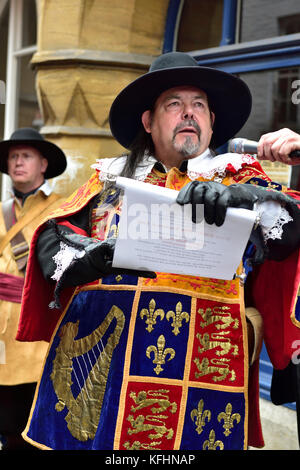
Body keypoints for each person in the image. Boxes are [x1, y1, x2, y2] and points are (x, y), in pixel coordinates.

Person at [16, 52, 300, 451]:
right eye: (174, 104)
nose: (189, 113)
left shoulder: (241, 177)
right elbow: (52, 239)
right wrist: (94, 255)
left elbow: (287, 236)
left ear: (211, 121)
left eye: (199, 105)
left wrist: (237, 196)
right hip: (111, 368)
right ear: (148, 122)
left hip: (205, 370)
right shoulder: (111, 178)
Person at [0, 127, 67, 450]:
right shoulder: (0, 211)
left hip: (38, 333)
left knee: (35, 428)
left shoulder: (63, 208)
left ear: (43, 164)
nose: (17, 163)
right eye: (13, 157)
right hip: (1, 334)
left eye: (25, 156)